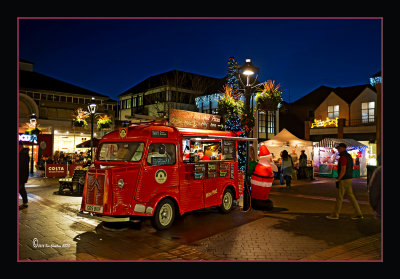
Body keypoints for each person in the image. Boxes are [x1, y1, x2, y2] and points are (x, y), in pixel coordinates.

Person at [326, 143, 363, 220]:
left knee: (339, 197)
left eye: (339, 148)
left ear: (342, 148)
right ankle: (359, 213)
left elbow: (343, 169)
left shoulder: (343, 157)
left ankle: (335, 214)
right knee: (351, 196)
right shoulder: (349, 156)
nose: (338, 150)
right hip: (349, 178)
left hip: (344, 179)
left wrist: (338, 179)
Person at [19, 142, 30, 209]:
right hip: (20, 175)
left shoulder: (24, 155)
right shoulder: (20, 154)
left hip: (21, 175)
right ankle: (25, 203)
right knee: (22, 189)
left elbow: (21, 166)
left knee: (20, 188)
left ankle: (25, 202)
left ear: (21, 146)